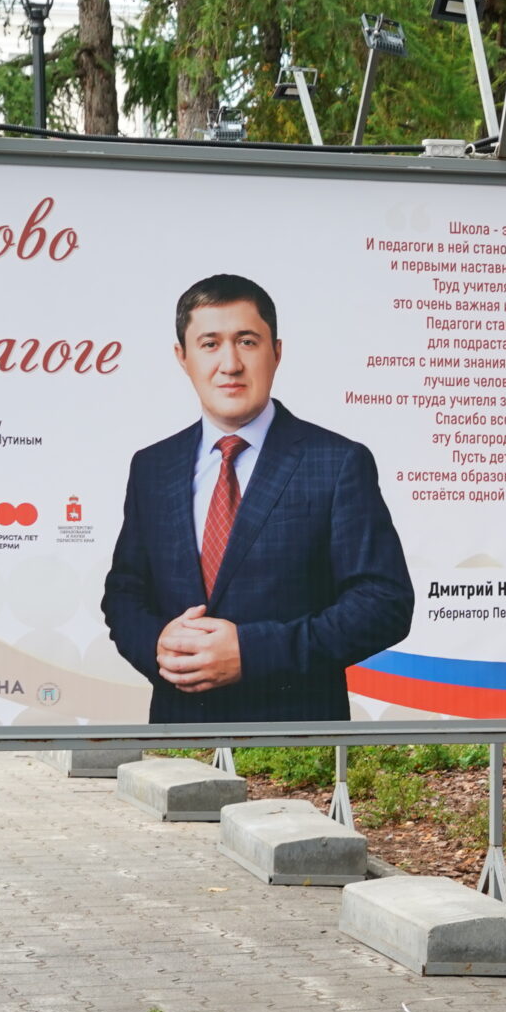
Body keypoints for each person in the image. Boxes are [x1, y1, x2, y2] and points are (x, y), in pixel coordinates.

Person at [103, 274, 414, 724]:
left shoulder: (337, 462)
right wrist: (159, 647)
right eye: (209, 343)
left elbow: (384, 603)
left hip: (296, 743)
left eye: (247, 341)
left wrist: (250, 652)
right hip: (177, 736)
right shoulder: (152, 467)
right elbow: (125, 592)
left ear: (277, 352)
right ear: (182, 358)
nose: (229, 364)